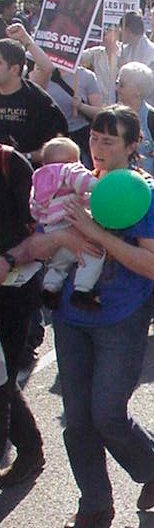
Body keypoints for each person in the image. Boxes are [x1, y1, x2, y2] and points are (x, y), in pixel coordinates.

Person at [51, 105, 154, 528]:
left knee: (107, 413)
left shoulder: (145, 195)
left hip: (120, 317)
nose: (99, 149)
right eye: (95, 139)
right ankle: (95, 504)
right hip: (70, 314)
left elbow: (152, 264)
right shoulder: (79, 184)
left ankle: (152, 462)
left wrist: (96, 232)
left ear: (133, 145)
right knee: (77, 419)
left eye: (110, 141)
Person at [0, 145, 45, 488]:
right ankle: (30, 451)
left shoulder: (9, 162)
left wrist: (9, 258)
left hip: (12, 289)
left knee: (1, 379)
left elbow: (39, 229)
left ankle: (28, 453)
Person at [29, 137, 104, 311]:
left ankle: (50, 289)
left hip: (51, 227)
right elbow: (85, 183)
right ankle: (83, 291)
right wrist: (103, 187)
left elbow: (35, 207)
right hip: (73, 222)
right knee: (94, 254)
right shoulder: (67, 170)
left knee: (58, 264)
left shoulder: (39, 176)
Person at [0, 37, 67, 163]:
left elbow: (58, 147)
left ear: (14, 69)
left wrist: (24, 158)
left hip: (28, 176)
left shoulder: (39, 101)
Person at [116, 61, 154, 193]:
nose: (117, 88)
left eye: (122, 84)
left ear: (138, 90)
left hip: (147, 194)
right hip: (117, 190)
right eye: (117, 83)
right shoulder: (112, 117)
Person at [47, 66, 104, 167]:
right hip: (53, 138)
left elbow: (99, 113)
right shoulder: (43, 75)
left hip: (80, 137)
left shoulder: (86, 76)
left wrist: (81, 106)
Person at [120, 11, 154, 104]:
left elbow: (152, 86)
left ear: (128, 31)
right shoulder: (125, 50)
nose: (119, 33)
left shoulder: (153, 52)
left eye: (121, 30)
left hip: (146, 105)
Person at [81, 25, 122, 105]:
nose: (105, 33)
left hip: (117, 105)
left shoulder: (124, 54)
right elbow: (77, 57)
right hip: (98, 103)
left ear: (117, 34)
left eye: (109, 30)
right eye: (106, 30)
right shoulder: (96, 52)